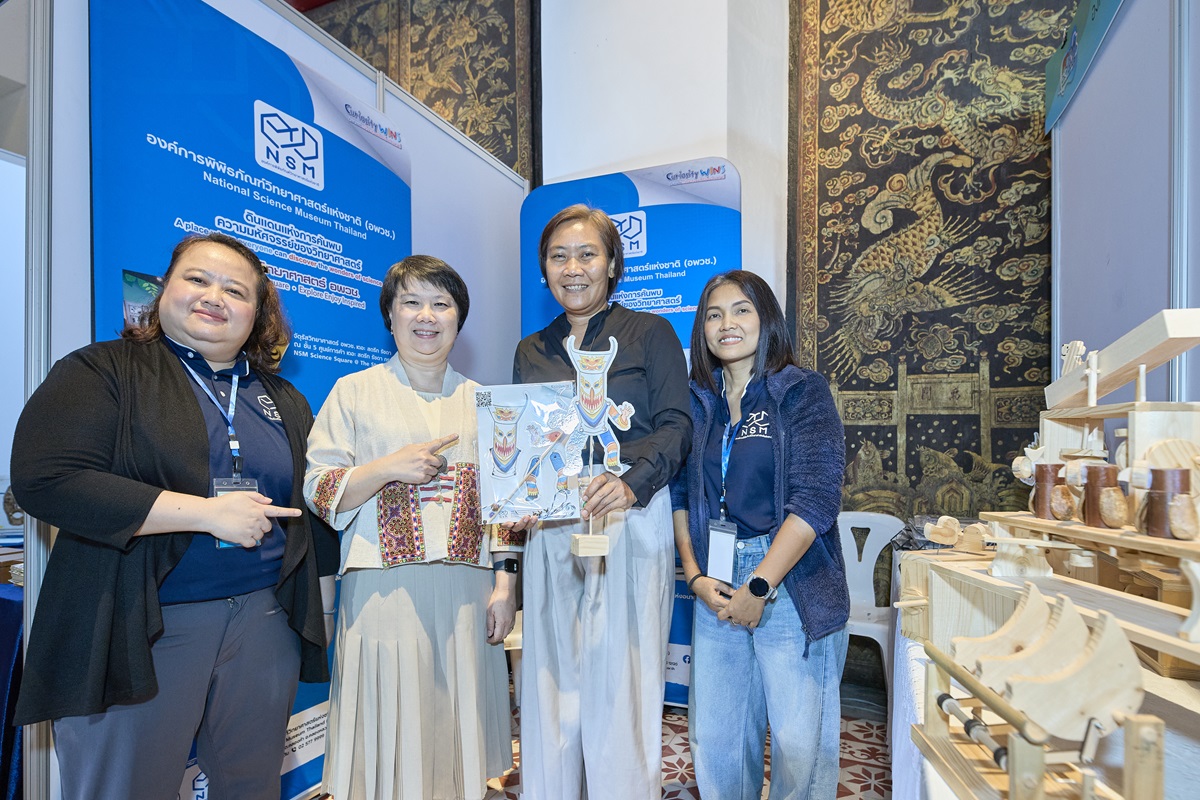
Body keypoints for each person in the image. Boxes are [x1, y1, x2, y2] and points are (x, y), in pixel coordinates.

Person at [10, 232, 338, 800]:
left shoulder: (283, 398)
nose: (214, 296)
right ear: (163, 290)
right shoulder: (104, 371)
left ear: (257, 314)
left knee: (250, 786)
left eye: (236, 290)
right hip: (140, 623)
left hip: (264, 623)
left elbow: (312, 504)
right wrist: (206, 514)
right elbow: (48, 479)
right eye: (197, 279)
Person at [305, 255, 525, 800]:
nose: (426, 316)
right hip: (383, 589)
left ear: (458, 319)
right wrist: (387, 468)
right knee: (390, 725)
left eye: (441, 304)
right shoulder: (353, 392)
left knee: (457, 727)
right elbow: (320, 489)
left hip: (469, 591)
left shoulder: (486, 402)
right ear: (390, 315)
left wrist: (506, 587)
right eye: (411, 302)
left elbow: (508, 508)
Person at [512, 204, 692, 799]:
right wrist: (520, 492)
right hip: (553, 524)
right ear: (544, 269)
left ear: (612, 263)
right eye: (558, 256)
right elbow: (525, 437)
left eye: (587, 254)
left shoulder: (651, 333)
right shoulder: (530, 350)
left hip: (629, 516)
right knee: (551, 674)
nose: (573, 268)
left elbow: (677, 425)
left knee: (623, 676)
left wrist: (633, 482)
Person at [671, 270, 850, 800]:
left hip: (789, 580)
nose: (726, 323)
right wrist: (694, 575)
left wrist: (759, 586)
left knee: (799, 745)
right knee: (717, 738)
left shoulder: (801, 390)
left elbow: (816, 500)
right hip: (716, 579)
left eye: (741, 310)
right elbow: (681, 496)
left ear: (766, 317)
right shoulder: (697, 402)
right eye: (714, 314)